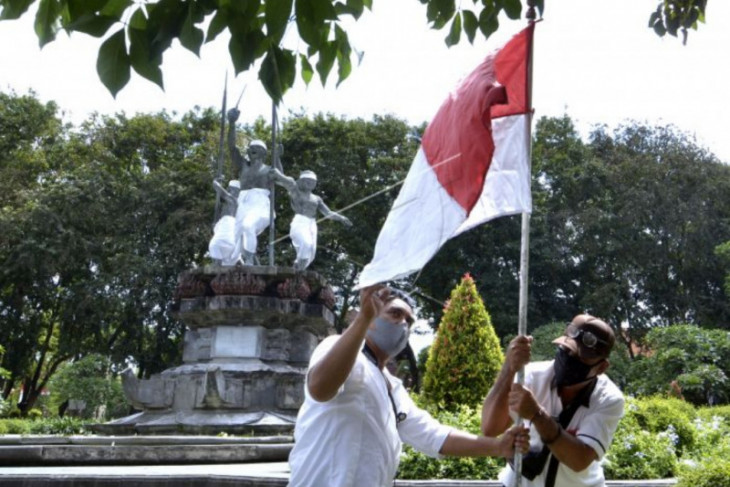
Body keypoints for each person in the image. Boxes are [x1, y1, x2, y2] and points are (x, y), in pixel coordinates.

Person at [288, 286, 529, 487]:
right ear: (371, 319)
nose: (403, 324)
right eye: (394, 314)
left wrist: (498, 446)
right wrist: (362, 319)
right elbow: (320, 389)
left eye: (409, 320)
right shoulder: (337, 347)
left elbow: (432, 436)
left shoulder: (392, 387)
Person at [481, 314, 625, 487]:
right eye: (566, 349)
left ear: (601, 367)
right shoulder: (531, 376)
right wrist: (509, 368)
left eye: (581, 357)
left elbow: (578, 460)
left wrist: (537, 414)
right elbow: (490, 428)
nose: (570, 358)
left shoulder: (608, 398)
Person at [227, 107, 288, 265]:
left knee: (249, 225)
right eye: (251, 148)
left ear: (263, 153)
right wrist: (232, 124)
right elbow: (232, 147)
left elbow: (282, 179)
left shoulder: (268, 169)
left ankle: (248, 258)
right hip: (243, 202)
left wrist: (278, 158)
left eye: (257, 148)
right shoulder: (243, 166)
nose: (252, 150)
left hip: (260, 203)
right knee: (233, 235)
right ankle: (231, 261)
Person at [277, 170, 352, 270]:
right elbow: (284, 179)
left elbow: (328, 213)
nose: (310, 184)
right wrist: (277, 169)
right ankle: (298, 265)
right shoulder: (296, 191)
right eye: (307, 181)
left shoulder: (317, 198)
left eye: (313, 182)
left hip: (311, 224)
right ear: (302, 181)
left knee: (311, 251)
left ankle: (299, 268)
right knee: (306, 243)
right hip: (300, 221)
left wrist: (341, 218)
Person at [208, 178, 241, 265]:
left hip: (228, 224)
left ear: (233, 190)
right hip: (228, 225)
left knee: (215, 245)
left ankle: (217, 266)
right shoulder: (237, 202)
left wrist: (216, 180)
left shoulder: (232, 199)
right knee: (221, 247)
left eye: (229, 189)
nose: (228, 190)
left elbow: (217, 187)